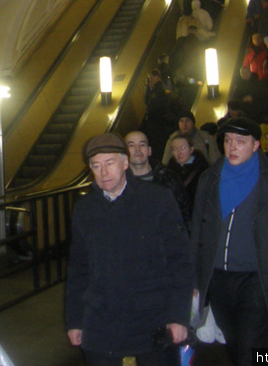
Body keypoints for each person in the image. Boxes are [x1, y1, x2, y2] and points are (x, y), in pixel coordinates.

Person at [66, 133, 192, 366]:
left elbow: (180, 260)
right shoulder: (85, 210)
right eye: (96, 166)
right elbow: (78, 269)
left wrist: (178, 316)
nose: (103, 172)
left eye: (110, 163)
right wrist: (75, 320)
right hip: (101, 321)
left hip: (152, 319)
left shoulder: (157, 200)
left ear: (125, 163)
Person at [192, 118, 268, 365]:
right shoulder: (209, 179)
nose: (232, 147)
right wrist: (193, 278)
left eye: (240, 142)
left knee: (248, 348)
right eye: (228, 141)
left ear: (256, 145)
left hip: (258, 278)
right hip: (219, 278)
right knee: (234, 344)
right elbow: (198, 233)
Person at [125, 130, 192, 227]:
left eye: (142, 145)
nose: (137, 149)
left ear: (149, 150)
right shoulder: (118, 182)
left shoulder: (168, 177)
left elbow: (185, 213)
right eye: (131, 145)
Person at [166, 136, 209, 215]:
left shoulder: (203, 170)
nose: (179, 153)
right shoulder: (168, 171)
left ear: (191, 149)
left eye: (182, 148)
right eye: (174, 149)